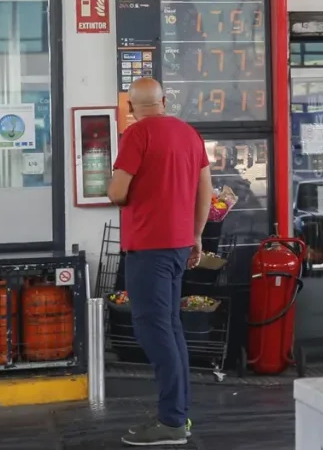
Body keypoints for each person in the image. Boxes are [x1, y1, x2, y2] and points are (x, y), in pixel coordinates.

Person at [108, 78, 213, 447]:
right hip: (178, 246)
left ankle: (171, 421)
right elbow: (206, 190)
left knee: (153, 329)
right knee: (170, 328)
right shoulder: (189, 135)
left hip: (149, 247)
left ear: (131, 108)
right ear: (164, 101)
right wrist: (196, 236)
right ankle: (178, 416)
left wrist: (114, 188)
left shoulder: (136, 136)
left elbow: (118, 193)